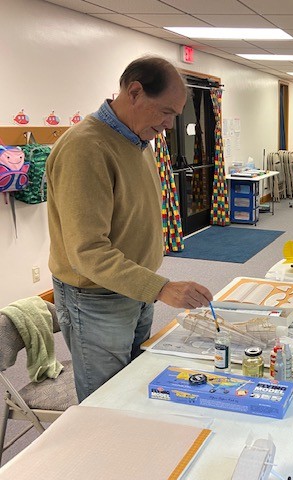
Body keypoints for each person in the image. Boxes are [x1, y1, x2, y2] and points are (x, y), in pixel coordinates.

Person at [47, 56, 213, 402]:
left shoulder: (138, 141)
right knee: (107, 400)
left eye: (175, 115)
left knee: (137, 385)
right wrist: (160, 288)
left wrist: (150, 287)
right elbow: (88, 252)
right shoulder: (85, 148)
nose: (169, 124)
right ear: (134, 92)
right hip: (96, 299)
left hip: (135, 289)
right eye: (165, 111)